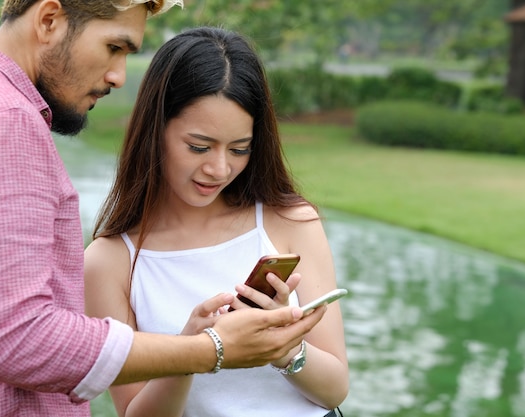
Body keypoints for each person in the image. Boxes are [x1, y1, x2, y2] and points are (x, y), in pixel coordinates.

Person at [0, 2, 325, 416]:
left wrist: (281, 350)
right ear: (49, 19)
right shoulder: (7, 120)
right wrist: (206, 350)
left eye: (238, 148)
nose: (119, 77)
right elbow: (19, 338)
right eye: (113, 47)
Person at [84, 27, 349, 417]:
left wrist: (285, 346)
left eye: (240, 149)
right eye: (199, 146)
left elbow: (335, 391)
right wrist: (191, 350)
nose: (219, 168)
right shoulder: (109, 262)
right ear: (155, 129)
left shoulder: (290, 222)